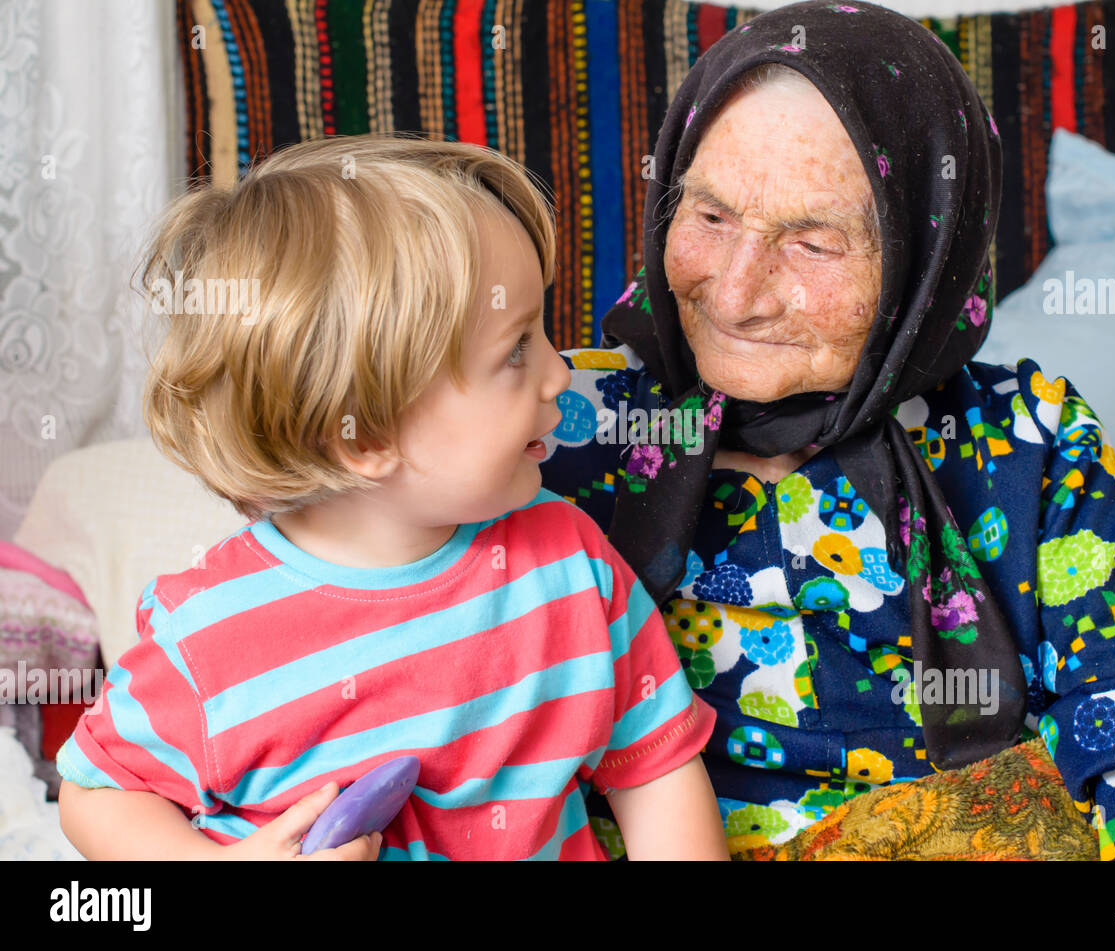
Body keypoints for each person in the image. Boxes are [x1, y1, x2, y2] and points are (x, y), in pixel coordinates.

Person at [538, 0, 1115, 860]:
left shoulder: (1029, 440)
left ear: (923, 260)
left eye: (813, 243)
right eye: (709, 217)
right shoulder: (548, 422)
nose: (737, 291)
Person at [55, 134, 729, 861]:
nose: (558, 373)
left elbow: (652, 767)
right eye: (515, 349)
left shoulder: (570, 561)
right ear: (365, 436)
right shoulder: (211, 637)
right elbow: (97, 790)